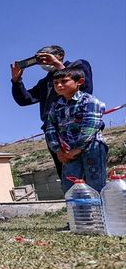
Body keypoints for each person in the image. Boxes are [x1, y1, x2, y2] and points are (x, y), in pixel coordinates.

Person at [10, 45, 93, 178]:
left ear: (60, 56)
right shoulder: (45, 82)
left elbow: (85, 89)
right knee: (66, 174)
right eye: (39, 59)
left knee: (87, 172)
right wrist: (16, 81)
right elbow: (24, 99)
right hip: (53, 131)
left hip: (76, 126)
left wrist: (57, 65)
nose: (42, 62)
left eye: (45, 57)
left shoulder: (78, 65)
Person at [45, 67, 108, 193]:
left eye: (64, 81)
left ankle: (99, 205)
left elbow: (90, 125)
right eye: (56, 83)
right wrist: (58, 150)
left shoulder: (89, 101)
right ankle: (76, 206)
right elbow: (50, 128)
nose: (59, 85)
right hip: (68, 151)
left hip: (92, 148)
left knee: (95, 183)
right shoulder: (56, 106)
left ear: (80, 82)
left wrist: (78, 148)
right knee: (70, 186)